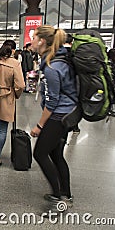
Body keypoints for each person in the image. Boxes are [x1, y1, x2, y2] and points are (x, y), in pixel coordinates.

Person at [30, 25, 77, 213]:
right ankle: (66, 193)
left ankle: (58, 200)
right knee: (56, 154)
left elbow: (51, 102)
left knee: (40, 153)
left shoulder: (52, 68)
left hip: (59, 117)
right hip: (69, 114)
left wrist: (39, 126)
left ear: (42, 41)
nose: (31, 40)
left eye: (34, 37)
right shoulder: (60, 60)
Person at [0, 45, 25, 168]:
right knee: (2, 130)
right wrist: (15, 95)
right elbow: (21, 85)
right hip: (6, 96)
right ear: (12, 51)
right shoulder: (15, 63)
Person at [63, 33, 80, 134]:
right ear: (71, 42)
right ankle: (75, 126)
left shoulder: (57, 53)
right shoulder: (76, 53)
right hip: (74, 85)